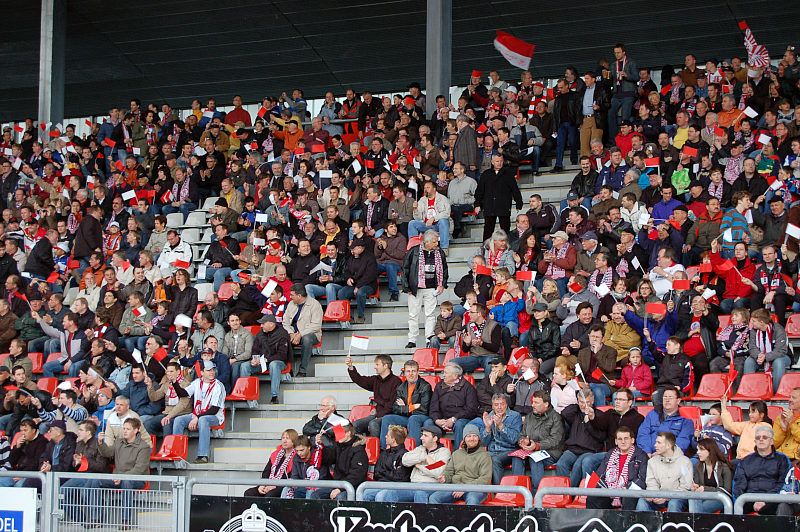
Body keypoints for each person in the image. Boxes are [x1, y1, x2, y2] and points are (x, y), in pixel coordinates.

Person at [85, 418, 151, 526]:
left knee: (127, 482)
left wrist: (122, 477)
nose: (124, 431)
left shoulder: (144, 447)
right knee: (95, 481)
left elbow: (139, 469)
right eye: (124, 428)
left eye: (128, 429)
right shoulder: (119, 441)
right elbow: (107, 453)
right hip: (117, 478)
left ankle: (126, 521)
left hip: (137, 479)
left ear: (136, 430)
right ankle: (95, 518)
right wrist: (100, 443)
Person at [169, 360, 226, 464]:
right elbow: (183, 394)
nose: (212, 372)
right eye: (208, 370)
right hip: (197, 415)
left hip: (215, 417)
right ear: (202, 372)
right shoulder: (197, 382)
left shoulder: (219, 386)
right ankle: (177, 453)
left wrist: (197, 418)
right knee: (178, 420)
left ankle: (203, 455)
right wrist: (175, 383)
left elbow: (214, 409)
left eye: (213, 370)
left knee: (203, 420)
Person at [733, 425, 795, 516]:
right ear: (755, 441)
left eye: (765, 437)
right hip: (749, 500)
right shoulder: (745, 461)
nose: (761, 439)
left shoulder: (782, 459)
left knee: (778, 507)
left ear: (771, 441)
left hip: (773, 500)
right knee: (726, 510)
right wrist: (752, 503)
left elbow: (783, 484)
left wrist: (765, 501)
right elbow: (738, 486)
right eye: (758, 438)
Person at [403, 230, 448, 349]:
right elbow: (405, 269)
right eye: (434, 242)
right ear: (426, 242)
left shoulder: (440, 252)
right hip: (415, 288)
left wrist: (442, 284)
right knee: (413, 314)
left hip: (431, 288)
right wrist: (406, 286)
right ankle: (412, 339)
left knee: (430, 314)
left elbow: (444, 269)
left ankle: (429, 337)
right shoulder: (414, 251)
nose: (437, 244)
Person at [585, 426, 649, 510]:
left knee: (629, 497)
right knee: (592, 498)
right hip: (610, 493)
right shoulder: (610, 454)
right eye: (620, 439)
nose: (623, 442)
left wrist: (625, 490)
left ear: (632, 440)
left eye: (626, 438)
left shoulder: (641, 455)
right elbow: (599, 474)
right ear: (616, 441)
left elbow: (642, 480)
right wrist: (598, 487)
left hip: (628, 493)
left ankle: (625, 523)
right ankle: (595, 523)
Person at [511, 389, 564, 490]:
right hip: (530, 450)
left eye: (536, 402)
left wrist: (537, 446)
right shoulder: (529, 416)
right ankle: (517, 491)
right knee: (516, 457)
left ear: (546, 404)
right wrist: (522, 442)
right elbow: (522, 434)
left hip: (550, 452)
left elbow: (555, 440)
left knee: (535, 458)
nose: (532, 405)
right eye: (532, 402)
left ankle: (538, 492)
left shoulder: (556, 417)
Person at [428, 424, 492, 506]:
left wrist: (465, 488)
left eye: (475, 436)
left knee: (472, 499)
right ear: (464, 439)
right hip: (455, 487)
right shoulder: (456, 454)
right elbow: (449, 471)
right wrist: (445, 478)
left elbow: (485, 479)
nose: (472, 439)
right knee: (434, 498)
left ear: (479, 438)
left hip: (475, 489)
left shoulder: (485, 455)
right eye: (468, 436)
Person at [555, 388, 606, 487]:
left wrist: (590, 420)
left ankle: (571, 493)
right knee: (561, 464)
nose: (584, 405)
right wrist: (577, 405)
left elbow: (601, 437)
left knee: (578, 466)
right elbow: (565, 413)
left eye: (587, 402)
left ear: (592, 400)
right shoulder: (576, 413)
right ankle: (563, 491)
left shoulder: (599, 415)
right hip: (572, 449)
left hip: (589, 450)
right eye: (581, 402)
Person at [420, 363, 479, 448]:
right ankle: (429, 451)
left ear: (455, 376)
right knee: (429, 423)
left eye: (446, 373)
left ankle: (458, 453)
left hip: (460, 419)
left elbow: (471, 409)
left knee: (459, 424)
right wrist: (437, 420)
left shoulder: (468, 388)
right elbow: (433, 407)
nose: (443, 375)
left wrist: (453, 419)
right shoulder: (439, 386)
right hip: (442, 419)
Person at [378, 360, 432, 446]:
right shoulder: (401, 387)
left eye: (413, 371)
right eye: (408, 371)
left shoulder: (425, 386)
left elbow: (424, 409)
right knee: (386, 418)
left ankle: (414, 450)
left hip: (422, 417)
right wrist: (411, 407)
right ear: (404, 373)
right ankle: (385, 449)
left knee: (413, 419)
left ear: (418, 372)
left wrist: (404, 407)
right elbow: (395, 408)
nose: (411, 374)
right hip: (407, 417)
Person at [346, 354, 401, 437]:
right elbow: (360, 380)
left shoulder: (396, 382)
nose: (375, 367)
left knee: (373, 424)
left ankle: (378, 448)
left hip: (389, 416)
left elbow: (392, 406)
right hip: (377, 415)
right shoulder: (375, 380)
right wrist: (350, 367)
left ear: (385, 365)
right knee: (355, 425)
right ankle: (359, 448)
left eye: (377, 364)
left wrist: (378, 415)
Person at [310, 423, 368, 501]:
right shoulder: (338, 446)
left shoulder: (359, 451)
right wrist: (320, 446)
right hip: (337, 484)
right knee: (315, 495)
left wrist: (340, 489)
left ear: (348, 433)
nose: (337, 436)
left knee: (340, 497)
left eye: (339, 433)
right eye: (336, 434)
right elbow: (327, 459)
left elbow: (357, 475)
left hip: (353, 486)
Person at [635, 431, 692, 512]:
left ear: (669, 445)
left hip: (677, 498)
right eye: (656, 442)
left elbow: (685, 487)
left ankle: (671, 525)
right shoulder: (652, 461)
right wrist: (654, 496)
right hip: (658, 496)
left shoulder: (684, 462)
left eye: (659, 443)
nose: (655, 445)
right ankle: (642, 524)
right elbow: (651, 483)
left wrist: (667, 497)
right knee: (643, 500)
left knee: (674, 503)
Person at [475, 393, 522, 484]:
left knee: (495, 460)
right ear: (492, 406)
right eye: (496, 405)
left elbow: (514, 439)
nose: (499, 407)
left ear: (506, 404)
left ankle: (498, 491)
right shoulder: (489, 416)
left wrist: (501, 426)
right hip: (492, 451)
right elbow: (484, 443)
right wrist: (488, 428)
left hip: (509, 450)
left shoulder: (515, 416)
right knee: (475, 457)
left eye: (502, 404)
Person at [474, 154, 523, 242]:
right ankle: (486, 248)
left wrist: (519, 202)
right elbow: (480, 191)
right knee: (488, 230)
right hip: (489, 205)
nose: (499, 163)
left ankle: (507, 248)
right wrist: (477, 204)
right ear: (492, 162)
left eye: (501, 161)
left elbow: (514, 189)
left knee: (505, 230)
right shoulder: (486, 174)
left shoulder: (508, 173)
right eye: (497, 161)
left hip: (503, 205)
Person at [246, 314, 291, 404]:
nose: (261, 325)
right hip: (262, 362)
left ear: (271, 324)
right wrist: (254, 359)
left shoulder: (282, 334)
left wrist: (266, 359)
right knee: (244, 366)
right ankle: (247, 395)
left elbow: (282, 355)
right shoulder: (260, 333)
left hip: (279, 362)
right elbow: (255, 349)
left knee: (273, 364)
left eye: (263, 323)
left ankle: (274, 396)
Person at [637, 386, 695, 456]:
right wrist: (647, 451)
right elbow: (643, 434)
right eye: (665, 397)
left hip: (672, 458)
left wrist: (662, 453)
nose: (667, 400)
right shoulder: (652, 414)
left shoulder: (685, 420)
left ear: (678, 401)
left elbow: (682, 442)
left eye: (670, 397)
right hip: (648, 455)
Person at [746, 308, 791, 394]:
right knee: (749, 361)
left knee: (778, 362)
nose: (751, 323)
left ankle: (776, 392)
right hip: (761, 357)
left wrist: (765, 356)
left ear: (761, 322)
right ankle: (749, 391)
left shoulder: (778, 330)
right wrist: (759, 355)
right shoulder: (753, 331)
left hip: (783, 356)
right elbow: (752, 348)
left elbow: (780, 351)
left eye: (754, 321)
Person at [283, 283, 323, 378]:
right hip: (293, 333)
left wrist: (300, 334)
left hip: (311, 334)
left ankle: (302, 370)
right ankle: (288, 369)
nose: (290, 297)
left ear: (299, 296)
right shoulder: (291, 304)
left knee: (307, 339)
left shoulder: (315, 305)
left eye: (292, 295)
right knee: (282, 338)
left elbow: (316, 326)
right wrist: (291, 333)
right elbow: (285, 322)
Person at [244, 429, 298, 497]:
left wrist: (274, 486)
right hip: (268, 483)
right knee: (249, 493)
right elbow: (266, 471)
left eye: (287, 438)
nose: (284, 441)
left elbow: (291, 477)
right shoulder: (275, 454)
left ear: (294, 441)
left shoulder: (296, 457)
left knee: (270, 494)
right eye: (283, 438)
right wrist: (262, 485)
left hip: (283, 486)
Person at [689, 437, 733, 513]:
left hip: (720, 498)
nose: (698, 452)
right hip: (703, 497)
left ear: (710, 451)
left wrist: (705, 488)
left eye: (701, 449)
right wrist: (695, 487)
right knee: (693, 499)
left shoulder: (723, 467)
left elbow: (727, 491)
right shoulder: (698, 466)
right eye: (697, 450)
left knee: (701, 508)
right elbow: (698, 486)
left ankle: (694, 523)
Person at [408, 181, 452, 252]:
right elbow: (418, 218)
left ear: (434, 189)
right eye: (425, 188)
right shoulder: (422, 200)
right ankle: (414, 249)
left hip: (438, 225)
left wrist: (434, 218)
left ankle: (444, 249)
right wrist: (415, 210)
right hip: (426, 225)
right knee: (412, 223)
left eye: (428, 187)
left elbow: (447, 213)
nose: (425, 189)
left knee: (443, 221)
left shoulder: (442, 198)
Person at [774, 387, 800, 462]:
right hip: (780, 457)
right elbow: (773, 444)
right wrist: (783, 430)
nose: (790, 400)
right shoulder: (781, 417)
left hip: (796, 459)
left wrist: (791, 423)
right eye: (790, 397)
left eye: (794, 398)